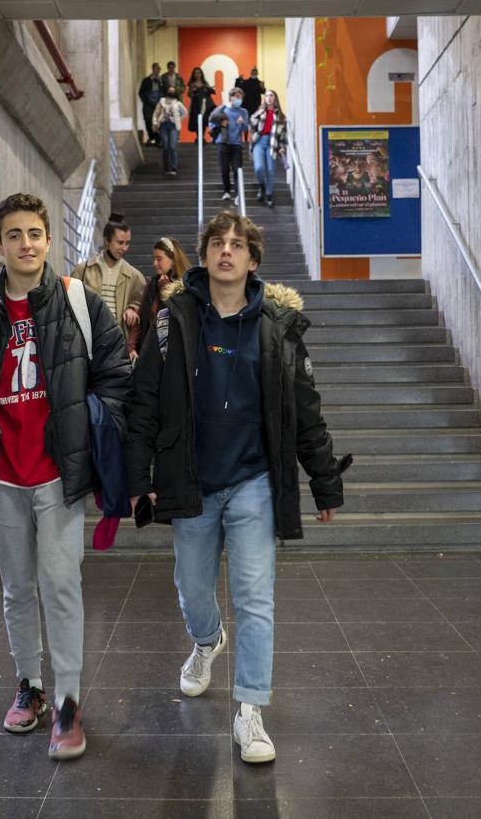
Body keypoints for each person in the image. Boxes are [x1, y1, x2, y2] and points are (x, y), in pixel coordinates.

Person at [126, 211, 346, 764]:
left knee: (254, 597)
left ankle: (250, 712)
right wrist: (136, 480)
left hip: (253, 481)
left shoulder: (278, 327)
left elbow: (305, 411)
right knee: (193, 589)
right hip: (192, 479)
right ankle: (206, 642)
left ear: (253, 259)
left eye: (238, 244)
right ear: (202, 255)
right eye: (217, 243)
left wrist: (323, 481)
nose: (227, 251)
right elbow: (144, 403)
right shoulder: (172, 321)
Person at [0, 193, 132, 761]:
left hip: (57, 475)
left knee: (62, 585)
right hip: (1, 478)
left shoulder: (77, 302)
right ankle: (30, 687)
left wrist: (92, 432)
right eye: (14, 235)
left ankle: (68, 702)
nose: (26, 244)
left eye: (35, 233)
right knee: (17, 588)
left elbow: (115, 372)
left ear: (48, 240)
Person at [71, 216, 146, 340]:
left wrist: (133, 309)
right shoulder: (83, 270)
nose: (124, 248)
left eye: (127, 243)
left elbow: (141, 304)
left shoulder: (135, 276)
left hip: (118, 340)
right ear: (107, 241)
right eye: (120, 242)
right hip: (89, 338)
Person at [127, 236, 190, 361]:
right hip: (149, 352)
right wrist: (131, 347)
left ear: (173, 260)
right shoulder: (152, 284)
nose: (154, 263)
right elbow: (141, 318)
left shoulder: (185, 285)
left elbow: (179, 317)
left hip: (173, 356)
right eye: (154, 258)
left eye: (159, 259)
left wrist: (165, 289)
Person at [209, 89, 249, 203]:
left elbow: (246, 129)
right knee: (224, 168)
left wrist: (242, 123)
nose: (239, 99)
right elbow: (211, 122)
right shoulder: (222, 109)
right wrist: (221, 123)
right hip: (223, 142)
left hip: (237, 144)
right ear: (231, 97)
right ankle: (226, 191)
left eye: (240, 97)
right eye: (237, 96)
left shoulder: (243, 112)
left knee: (237, 170)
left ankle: (238, 194)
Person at [249, 90, 288, 209]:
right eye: (266, 96)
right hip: (259, 142)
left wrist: (282, 147)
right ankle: (262, 185)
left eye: (271, 95)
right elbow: (251, 126)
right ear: (264, 99)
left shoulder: (281, 117)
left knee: (270, 171)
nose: (269, 98)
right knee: (259, 168)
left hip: (273, 144)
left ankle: (269, 195)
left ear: (275, 99)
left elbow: (283, 135)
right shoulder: (259, 113)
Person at [152, 87, 188, 177]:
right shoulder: (162, 101)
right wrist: (155, 123)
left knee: (172, 146)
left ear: (175, 92)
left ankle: (173, 167)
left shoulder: (178, 103)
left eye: (173, 91)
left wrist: (178, 119)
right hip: (163, 125)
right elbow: (156, 113)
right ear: (167, 92)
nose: (171, 92)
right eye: (169, 90)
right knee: (165, 146)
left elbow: (185, 113)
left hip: (173, 126)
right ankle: (166, 167)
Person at [186, 68, 216, 142]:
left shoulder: (205, 83)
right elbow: (189, 95)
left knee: (204, 120)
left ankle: (202, 136)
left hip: (204, 104)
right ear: (193, 75)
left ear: (201, 74)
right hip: (195, 104)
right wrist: (193, 91)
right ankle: (199, 137)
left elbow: (211, 92)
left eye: (199, 73)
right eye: (195, 73)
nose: (197, 74)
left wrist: (207, 90)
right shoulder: (192, 84)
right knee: (197, 121)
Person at [235, 67, 265, 138]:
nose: (254, 74)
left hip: (255, 105)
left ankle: (253, 138)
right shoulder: (246, 82)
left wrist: (262, 87)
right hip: (246, 105)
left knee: (255, 122)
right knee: (246, 122)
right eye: (253, 73)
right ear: (251, 73)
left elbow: (263, 92)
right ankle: (245, 139)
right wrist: (238, 80)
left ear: (257, 74)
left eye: (255, 73)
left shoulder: (259, 83)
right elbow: (238, 87)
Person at [138, 62, 163, 146]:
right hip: (148, 104)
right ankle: (152, 136)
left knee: (157, 121)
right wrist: (145, 101)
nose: (158, 70)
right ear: (153, 69)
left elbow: (165, 91)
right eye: (157, 68)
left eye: (159, 69)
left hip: (158, 104)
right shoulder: (146, 80)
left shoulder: (161, 80)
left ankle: (157, 139)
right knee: (148, 120)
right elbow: (141, 92)